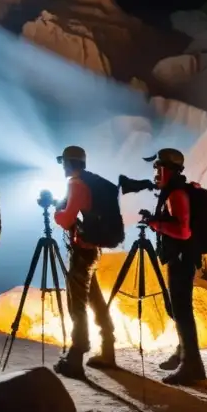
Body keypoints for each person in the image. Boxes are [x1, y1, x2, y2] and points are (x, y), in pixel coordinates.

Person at [52, 145, 116, 378]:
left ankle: (76, 356)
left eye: (63, 163)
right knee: (94, 298)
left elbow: (66, 219)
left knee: (76, 303)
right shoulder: (91, 183)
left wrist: (58, 212)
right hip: (93, 248)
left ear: (68, 163)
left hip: (82, 252)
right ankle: (108, 347)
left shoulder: (76, 184)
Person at [144, 148, 207, 385]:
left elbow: (182, 231)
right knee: (178, 308)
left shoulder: (176, 194)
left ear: (166, 169)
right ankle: (183, 353)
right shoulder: (176, 191)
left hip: (181, 260)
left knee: (182, 311)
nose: (154, 173)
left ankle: (192, 365)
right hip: (181, 258)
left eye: (157, 167)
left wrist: (155, 224)